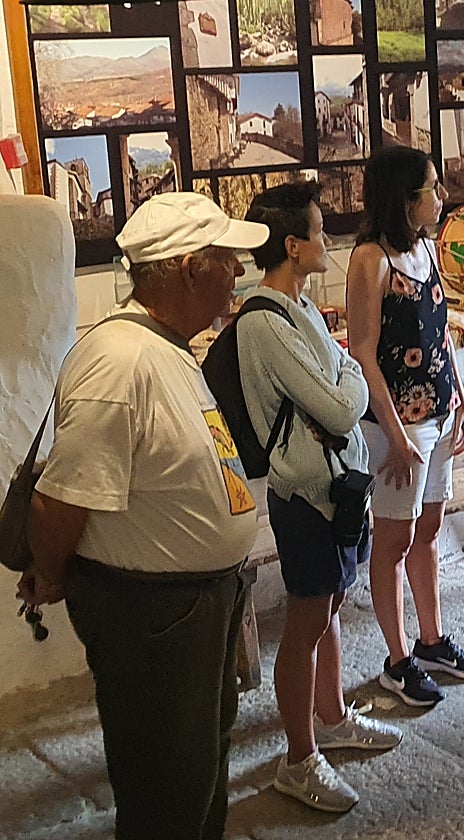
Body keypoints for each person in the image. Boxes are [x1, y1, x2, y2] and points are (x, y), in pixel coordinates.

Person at [18, 192, 269, 839]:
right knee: (166, 789)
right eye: (227, 258)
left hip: (195, 605)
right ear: (189, 268)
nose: (238, 271)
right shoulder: (119, 362)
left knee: (200, 771)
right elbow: (57, 502)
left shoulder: (165, 347)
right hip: (155, 618)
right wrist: (49, 574)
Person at [240, 182, 402, 813]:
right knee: (305, 623)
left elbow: (339, 378)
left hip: (338, 488)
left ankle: (331, 719)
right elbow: (341, 404)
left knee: (330, 605)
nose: (327, 241)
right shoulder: (264, 321)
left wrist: (344, 371)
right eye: (316, 231)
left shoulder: (300, 308)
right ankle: (298, 758)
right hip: (306, 493)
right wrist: (352, 373)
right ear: (291, 245)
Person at [346, 146, 464, 708]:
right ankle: (397, 658)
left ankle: (431, 640)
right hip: (395, 427)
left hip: (438, 413)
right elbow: (362, 352)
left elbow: (441, 330)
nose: (442, 195)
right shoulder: (370, 260)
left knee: (429, 531)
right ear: (405, 201)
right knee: (394, 540)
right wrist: (397, 435)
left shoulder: (426, 250)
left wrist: (460, 399)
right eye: (432, 187)